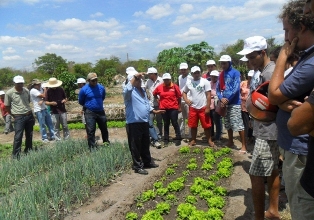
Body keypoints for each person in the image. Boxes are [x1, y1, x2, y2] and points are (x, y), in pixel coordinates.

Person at [268, 0, 314, 219]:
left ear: (301, 27)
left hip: (301, 150)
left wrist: (284, 56)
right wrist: (279, 101)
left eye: (287, 30)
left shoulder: (311, 62)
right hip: (296, 149)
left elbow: (274, 93)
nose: (285, 37)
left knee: (301, 207)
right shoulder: (307, 58)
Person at [237, 36, 280, 220]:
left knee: (255, 174)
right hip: (264, 129)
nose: (248, 61)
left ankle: (258, 217)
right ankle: (272, 210)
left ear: (262, 53)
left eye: (251, 56)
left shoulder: (270, 73)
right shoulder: (262, 71)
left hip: (268, 131)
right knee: (272, 171)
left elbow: (277, 104)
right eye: (247, 57)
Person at [123, 70, 164, 175]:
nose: (140, 81)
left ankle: (147, 162)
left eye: (140, 79)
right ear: (132, 80)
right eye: (138, 79)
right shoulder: (129, 92)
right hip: (134, 123)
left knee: (145, 143)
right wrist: (135, 77)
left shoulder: (141, 90)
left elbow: (146, 103)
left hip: (144, 121)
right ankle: (137, 166)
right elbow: (127, 89)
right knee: (135, 145)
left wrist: (154, 110)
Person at [216, 55, 247, 152]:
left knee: (238, 124)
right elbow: (217, 89)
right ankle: (230, 141)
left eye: (224, 63)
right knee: (228, 123)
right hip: (225, 103)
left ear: (229, 63)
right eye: (221, 63)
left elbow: (236, 88)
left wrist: (227, 99)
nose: (223, 65)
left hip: (234, 103)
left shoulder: (235, 73)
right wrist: (221, 98)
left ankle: (243, 146)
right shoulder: (221, 74)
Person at [182, 66, 215, 148]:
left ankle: (209, 140)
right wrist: (186, 100)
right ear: (192, 74)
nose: (196, 74)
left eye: (198, 72)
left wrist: (208, 107)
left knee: (206, 126)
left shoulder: (205, 81)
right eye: (194, 73)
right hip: (193, 107)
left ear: (200, 73)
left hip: (203, 107)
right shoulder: (189, 82)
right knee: (193, 125)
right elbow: (184, 92)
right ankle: (193, 140)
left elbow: (208, 94)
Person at [4, 75, 35, 159]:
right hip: (19, 117)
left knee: (29, 134)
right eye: (18, 83)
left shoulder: (26, 90)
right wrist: (13, 115)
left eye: (21, 83)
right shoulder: (9, 93)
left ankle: (28, 150)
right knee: (18, 136)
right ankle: (16, 155)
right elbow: (7, 106)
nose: (20, 85)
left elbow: (28, 101)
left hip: (29, 115)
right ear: (14, 83)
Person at [79, 73, 110, 149]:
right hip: (90, 112)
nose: (95, 82)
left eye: (96, 80)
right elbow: (81, 101)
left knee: (104, 128)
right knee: (91, 130)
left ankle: (106, 143)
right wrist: (89, 105)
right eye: (93, 81)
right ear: (88, 81)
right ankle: (92, 147)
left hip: (100, 111)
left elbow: (102, 97)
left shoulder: (101, 88)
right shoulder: (84, 90)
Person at [153, 73, 182, 147]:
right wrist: (158, 100)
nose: (166, 81)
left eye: (167, 79)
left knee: (174, 122)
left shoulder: (175, 86)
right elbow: (154, 93)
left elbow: (179, 97)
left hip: (173, 108)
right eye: (165, 80)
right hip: (163, 108)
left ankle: (178, 138)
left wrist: (179, 106)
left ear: (170, 79)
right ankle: (166, 139)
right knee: (166, 123)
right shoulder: (160, 87)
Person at [145, 67, 163, 148]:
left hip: (159, 104)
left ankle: (159, 136)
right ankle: (152, 136)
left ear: (153, 74)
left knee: (159, 121)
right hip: (151, 104)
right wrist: (147, 95)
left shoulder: (161, 80)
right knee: (150, 121)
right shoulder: (148, 81)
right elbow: (143, 89)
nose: (148, 75)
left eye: (149, 74)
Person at [177, 62, 192, 141]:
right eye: (182, 69)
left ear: (187, 69)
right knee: (180, 118)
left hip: (188, 99)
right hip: (181, 100)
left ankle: (190, 135)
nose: (183, 71)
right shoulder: (179, 77)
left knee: (190, 118)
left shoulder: (191, 77)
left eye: (184, 69)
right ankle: (181, 134)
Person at [208, 70, 222, 142]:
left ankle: (218, 137)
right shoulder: (208, 83)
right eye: (212, 76)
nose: (213, 77)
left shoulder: (219, 84)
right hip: (209, 104)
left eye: (215, 76)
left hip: (216, 105)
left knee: (217, 121)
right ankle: (212, 135)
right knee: (210, 121)